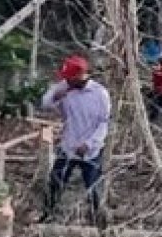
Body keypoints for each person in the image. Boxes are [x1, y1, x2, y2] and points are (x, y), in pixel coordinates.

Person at [40, 55, 111, 224]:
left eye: (70, 77)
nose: (67, 81)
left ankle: (99, 223)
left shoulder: (100, 94)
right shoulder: (63, 88)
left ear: (81, 75)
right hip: (68, 146)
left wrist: (89, 144)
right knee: (55, 183)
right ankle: (47, 215)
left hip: (91, 150)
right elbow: (45, 103)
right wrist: (58, 95)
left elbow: (104, 123)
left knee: (94, 188)